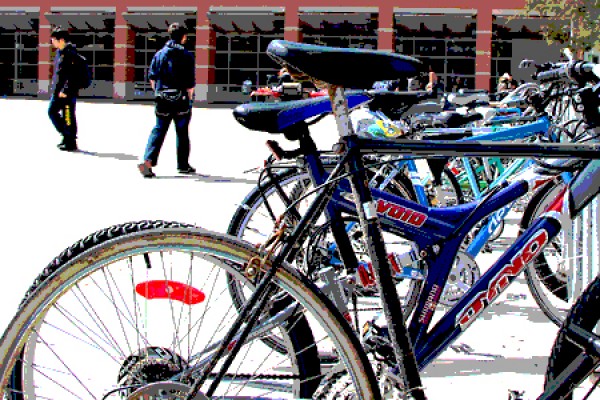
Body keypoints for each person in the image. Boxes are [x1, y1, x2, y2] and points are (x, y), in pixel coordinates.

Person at [138, 22, 196, 178]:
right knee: (182, 132)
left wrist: (159, 92)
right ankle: (183, 165)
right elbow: (190, 83)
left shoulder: (159, 54)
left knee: (159, 129)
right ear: (183, 37)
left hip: (162, 97)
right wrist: (189, 99)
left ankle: (148, 161)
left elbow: (152, 78)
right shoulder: (186, 55)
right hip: (181, 98)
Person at [48, 28, 80, 151]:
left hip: (66, 92)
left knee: (66, 115)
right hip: (59, 91)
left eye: (54, 40)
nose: (52, 43)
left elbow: (73, 75)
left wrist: (65, 90)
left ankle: (70, 140)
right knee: (59, 114)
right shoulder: (60, 53)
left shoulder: (70, 54)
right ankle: (67, 138)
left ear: (61, 40)